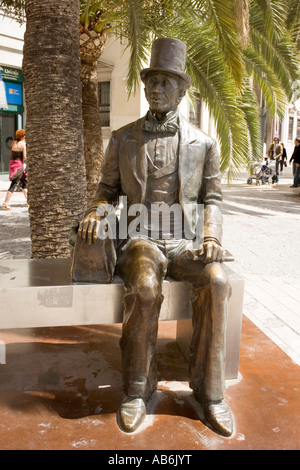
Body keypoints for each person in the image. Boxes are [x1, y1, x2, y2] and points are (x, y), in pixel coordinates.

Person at [76, 38, 233, 437]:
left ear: (182, 90)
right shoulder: (123, 137)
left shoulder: (204, 143)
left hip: (185, 241)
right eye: (151, 82)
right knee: (145, 288)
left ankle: (210, 392)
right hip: (140, 239)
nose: (156, 89)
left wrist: (211, 237)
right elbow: (105, 190)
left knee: (217, 282)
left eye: (166, 83)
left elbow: (213, 198)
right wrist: (97, 211)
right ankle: (136, 390)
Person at [2, 129, 27, 210]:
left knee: (24, 183)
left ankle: (28, 201)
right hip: (18, 166)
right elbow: (24, 157)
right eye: (25, 135)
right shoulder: (23, 144)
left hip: (12, 164)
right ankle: (5, 203)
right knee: (13, 184)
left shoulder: (13, 142)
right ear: (22, 136)